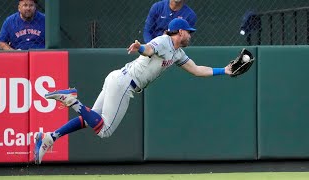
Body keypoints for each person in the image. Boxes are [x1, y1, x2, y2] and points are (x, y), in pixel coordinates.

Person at [34, 18, 232, 164]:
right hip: (124, 84)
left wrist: (223, 70)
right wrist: (139, 47)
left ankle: (50, 137)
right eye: (189, 32)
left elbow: (196, 70)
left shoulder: (178, 53)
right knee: (104, 130)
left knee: (90, 119)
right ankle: (72, 101)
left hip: (117, 78)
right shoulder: (164, 41)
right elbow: (148, 49)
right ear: (180, 32)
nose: (191, 35)